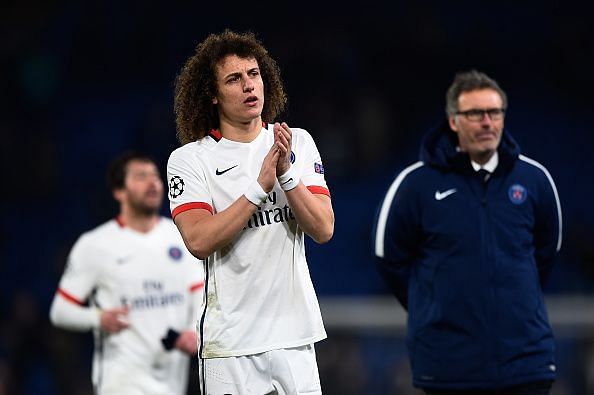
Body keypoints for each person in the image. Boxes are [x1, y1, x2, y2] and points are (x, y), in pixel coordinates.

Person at [372, 70, 562, 394]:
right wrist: (432, 305)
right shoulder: (415, 185)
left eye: (495, 112)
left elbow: (547, 252)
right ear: (453, 121)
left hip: (526, 364)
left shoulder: (535, 180)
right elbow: (389, 259)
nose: (487, 122)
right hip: (448, 368)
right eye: (475, 114)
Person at [167, 29, 334, 394]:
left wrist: (287, 175)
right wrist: (259, 188)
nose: (249, 86)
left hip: (295, 335)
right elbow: (198, 240)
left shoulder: (297, 142)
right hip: (231, 344)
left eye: (254, 74)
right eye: (234, 79)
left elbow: (323, 229)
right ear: (212, 95)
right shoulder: (190, 160)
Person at [49, 151, 204, 395]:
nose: (153, 182)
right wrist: (98, 318)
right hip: (121, 384)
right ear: (119, 191)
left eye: (155, 176)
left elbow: (199, 290)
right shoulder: (95, 245)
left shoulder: (180, 236)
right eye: (141, 176)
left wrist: (195, 332)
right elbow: (60, 311)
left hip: (173, 383)